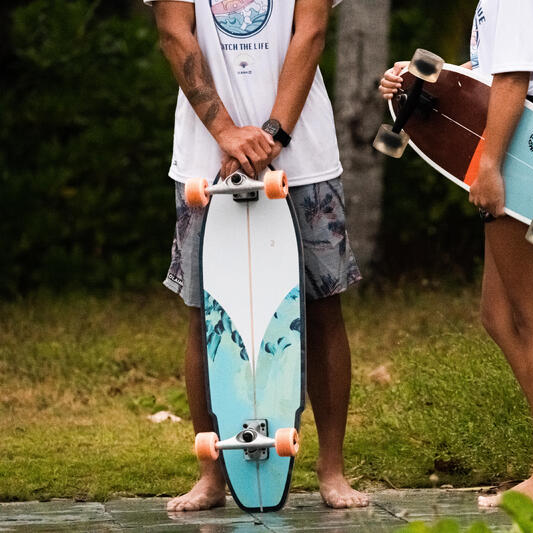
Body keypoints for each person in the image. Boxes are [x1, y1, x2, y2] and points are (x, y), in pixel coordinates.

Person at [147, 0, 368, 511]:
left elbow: (310, 32)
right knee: (206, 317)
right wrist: (225, 131)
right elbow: (174, 33)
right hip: (205, 163)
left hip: (303, 157)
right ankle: (212, 475)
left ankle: (332, 469)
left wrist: (271, 134)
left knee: (321, 309)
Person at [379, 0, 533, 509]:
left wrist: (492, 163)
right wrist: (416, 79)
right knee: (497, 315)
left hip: (522, 142)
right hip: (507, 132)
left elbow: (516, 78)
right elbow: (489, 72)